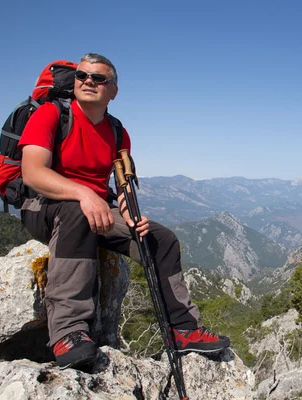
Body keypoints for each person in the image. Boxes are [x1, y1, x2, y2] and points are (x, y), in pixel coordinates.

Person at [19, 53, 230, 370]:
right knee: (78, 212)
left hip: (96, 207)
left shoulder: (117, 131)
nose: (89, 81)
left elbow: (124, 181)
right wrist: (83, 193)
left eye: (99, 78)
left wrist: (130, 212)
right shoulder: (51, 115)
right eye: (82, 76)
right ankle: (69, 332)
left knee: (161, 239)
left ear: (113, 90)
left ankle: (184, 329)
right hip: (44, 205)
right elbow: (33, 173)